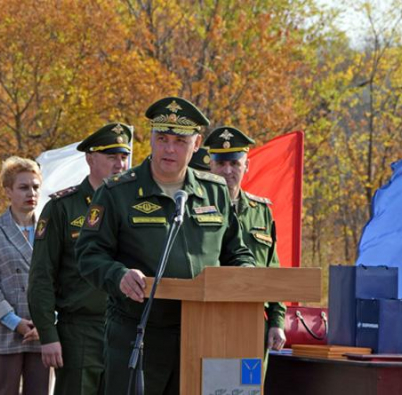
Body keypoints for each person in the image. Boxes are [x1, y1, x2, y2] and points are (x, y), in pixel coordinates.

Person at [76, 97, 255, 395]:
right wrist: (118, 275)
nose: (169, 149)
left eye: (180, 141)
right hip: (139, 334)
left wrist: (244, 280)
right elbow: (88, 253)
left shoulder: (215, 191)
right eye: (162, 139)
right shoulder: (117, 192)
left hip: (204, 333)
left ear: (197, 144)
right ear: (151, 140)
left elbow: (237, 252)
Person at [28, 123, 132, 395]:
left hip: (125, 327)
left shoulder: (134, 207)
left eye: (123, 157)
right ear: (90, 158)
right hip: (79, 331)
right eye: (111, 157)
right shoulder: (62, 208)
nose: (120, 164)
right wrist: (48, 335)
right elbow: (41, 275)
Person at [205, 126, 287, 352]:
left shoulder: (261, 211)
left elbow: (272, 269)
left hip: (252, 320)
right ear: (210, 165)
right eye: (220, 164)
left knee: (248, 386)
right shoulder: (195, 208)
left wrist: (276, 321)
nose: (227, 170)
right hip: (205, 318)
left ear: (247, 166)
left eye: (235, 163)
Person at [0, 156, 49, 395]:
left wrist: (49, 321)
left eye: (36, 187)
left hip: (43, 332)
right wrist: (14, 322)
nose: (31, 193)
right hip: (4, 332)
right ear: (8, 190)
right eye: (23, 187)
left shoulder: (51, 230)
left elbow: (62, 281)